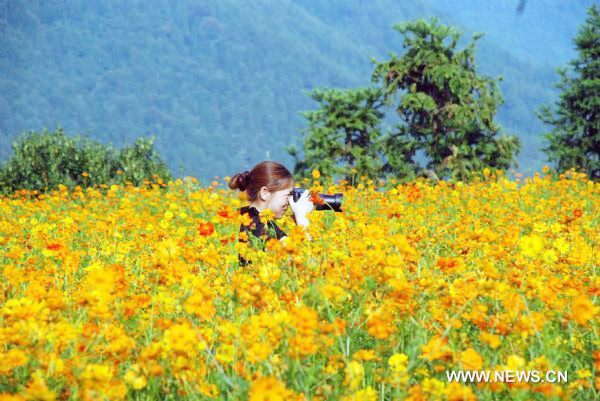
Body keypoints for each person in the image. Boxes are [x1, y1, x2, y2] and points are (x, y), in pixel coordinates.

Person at [228, 161, 314, 266]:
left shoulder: (246, 217)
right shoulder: (259, 227)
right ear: (264, 193)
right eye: (288, 195)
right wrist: (302, 215)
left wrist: (298, 222)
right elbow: (304, 261)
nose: (290, 201)